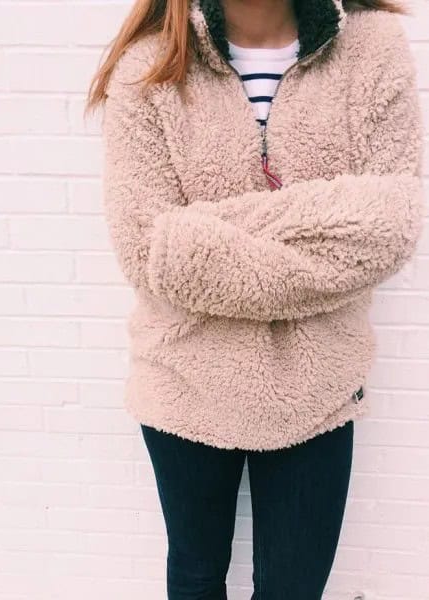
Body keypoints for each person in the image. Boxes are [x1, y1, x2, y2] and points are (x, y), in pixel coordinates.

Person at [86, 0, 424, 597]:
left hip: (319, 390)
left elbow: (389, 225)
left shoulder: (373, 48)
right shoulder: (148, 67)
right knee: (195, 576)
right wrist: (325, 222)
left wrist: (207, 234)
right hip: (183, 385)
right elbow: (149, 252)